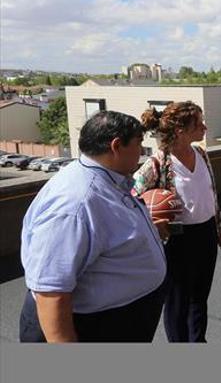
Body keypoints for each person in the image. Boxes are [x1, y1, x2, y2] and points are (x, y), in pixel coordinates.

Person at [19, 111, 166, 342]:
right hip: (92, 328)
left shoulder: (108, 178)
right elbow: (51, 292)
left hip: (116, 321)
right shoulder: (75, 204)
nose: (142, 153)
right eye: (139, 144)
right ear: (117, 146)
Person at [133, 101, 221, 342]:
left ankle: (198, 342)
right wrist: (155, 221)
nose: (205, 127)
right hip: (178, 240)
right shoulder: (158, 163)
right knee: (177, 300)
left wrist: (218, 227)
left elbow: (210, 192)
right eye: (199, 123)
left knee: (199, 296)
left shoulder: (202, 154)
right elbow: (131, 196)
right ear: (181, 131)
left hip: (206, 233)